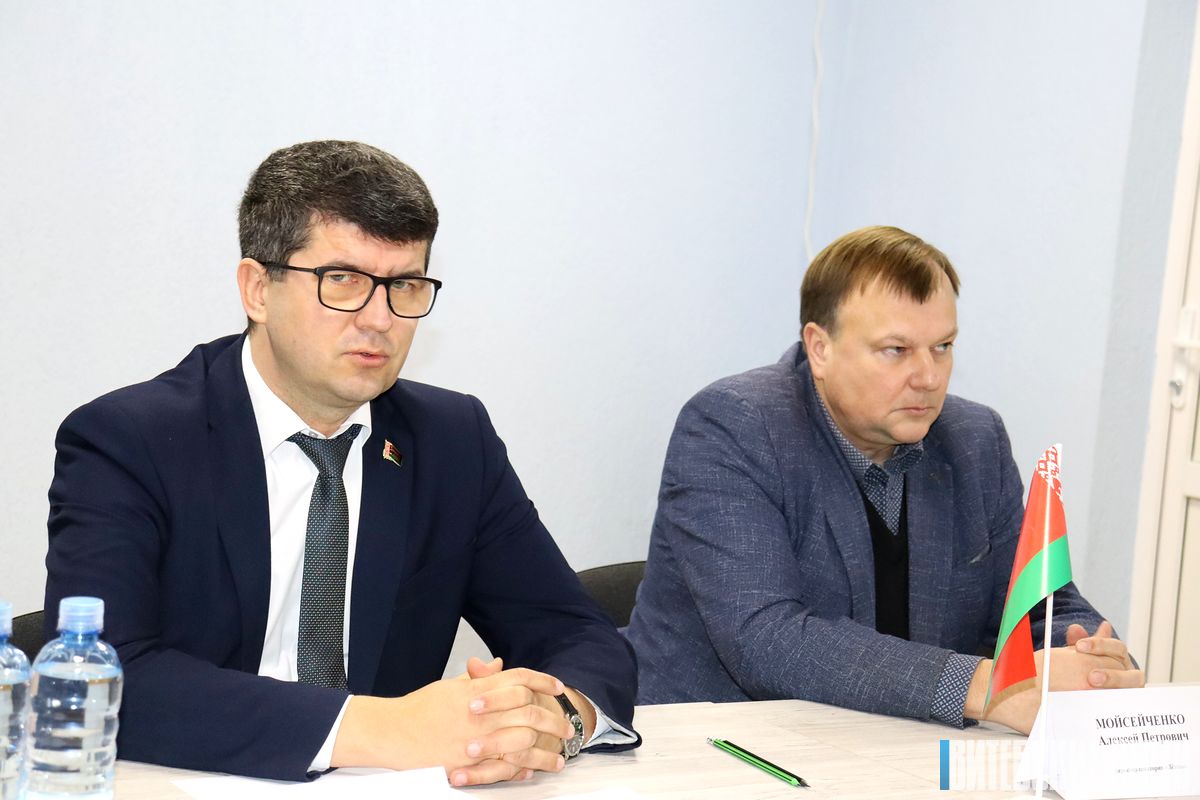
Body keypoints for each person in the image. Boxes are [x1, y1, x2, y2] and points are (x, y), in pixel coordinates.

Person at [44, 140, 639, 785]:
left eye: (404, 285)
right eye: (344, 281)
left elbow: (574, 633)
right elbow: (102, 675)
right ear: (257, 290)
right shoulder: (129, 440)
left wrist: (555, 718)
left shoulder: (451, 440)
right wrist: (384, 728)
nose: (380, 319)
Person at [625, 225, 1142, 733]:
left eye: (942, 346)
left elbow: (1039, 606)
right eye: (896, 350)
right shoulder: (734, 426)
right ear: (819, 348)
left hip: (898, 747)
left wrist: (1090, 661)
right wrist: (986, 686)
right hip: (716, 745)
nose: (929, 377)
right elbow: (766, 638)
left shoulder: (975, 439)